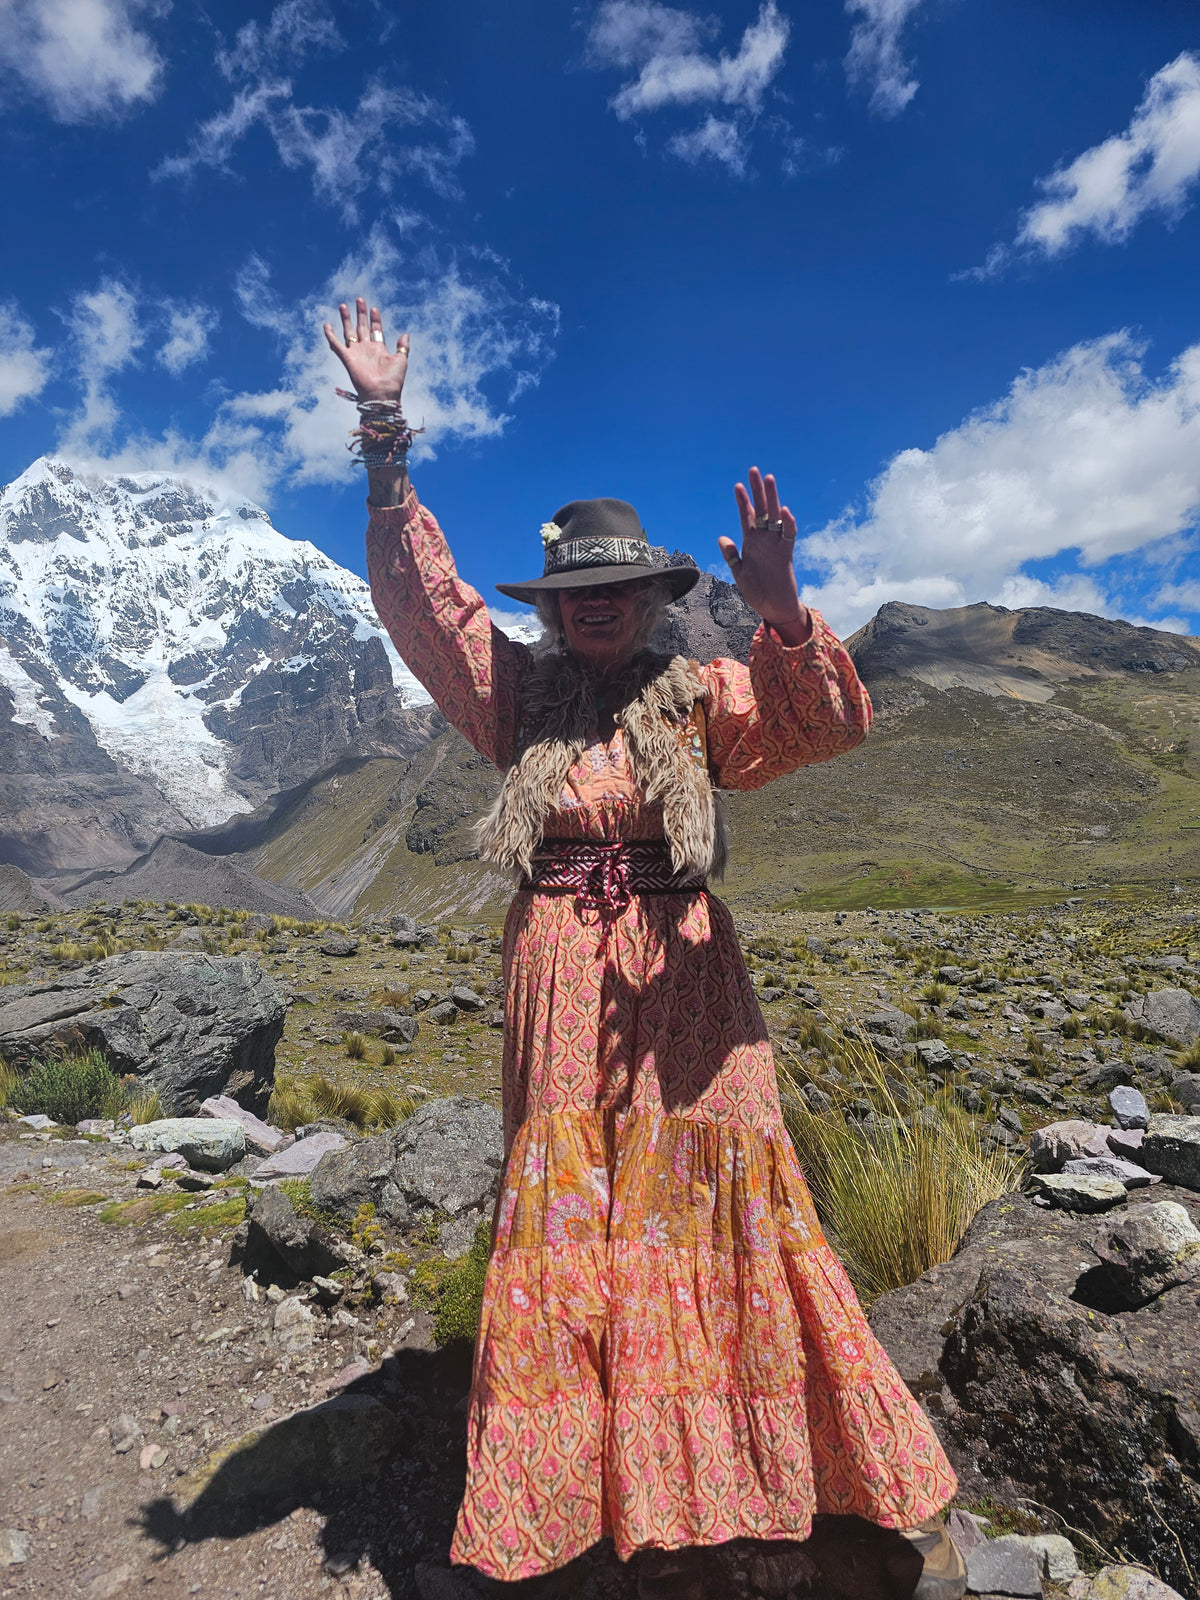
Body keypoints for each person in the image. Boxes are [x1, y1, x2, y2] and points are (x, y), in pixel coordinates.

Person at [325, 298, 963, 1600]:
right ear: (555, 610)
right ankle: (578, 1494)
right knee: (574, 1225)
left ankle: (736, 1480)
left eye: (617, 589)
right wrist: (385, 435)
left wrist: (782, 614)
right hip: (559, 983)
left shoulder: (705, 696)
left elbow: (825, 724)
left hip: (691, 995)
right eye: (576, 594)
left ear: (653, 595)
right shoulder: (512, 698)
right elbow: (421, 603)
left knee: (715, 1214)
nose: (597, 609)